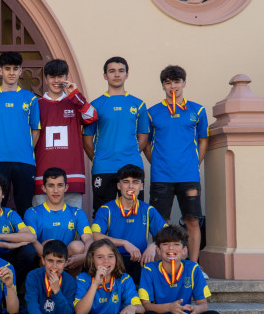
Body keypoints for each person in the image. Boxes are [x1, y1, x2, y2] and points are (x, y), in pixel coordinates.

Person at [145, 65, 209, 264]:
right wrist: (155, 161)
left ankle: (194, 265)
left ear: (184, 83)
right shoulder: (152, 112)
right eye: (168, 82)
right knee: (160, 222)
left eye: (176, 82)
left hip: (189, 175)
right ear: (163, 85)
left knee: (192, 220)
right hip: (161, 176)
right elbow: (146, 142)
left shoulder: (197, 110)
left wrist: (194, 163)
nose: (173, 86)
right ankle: (159, 265)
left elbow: (203, 140)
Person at [83, 57, 150, 212]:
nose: (117, 75)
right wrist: (100, 158)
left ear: (127, 74)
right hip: (103, 167)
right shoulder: (95, 105)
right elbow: (87, 139)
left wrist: (129, 154)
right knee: (102, 213)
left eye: (121, 71)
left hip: (132, 167)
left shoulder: (138, 104)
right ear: (105, 75)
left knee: (135, 212)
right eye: (112, 71)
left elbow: (144, 137)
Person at [0, 51, 41, 215]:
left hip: (25, 160)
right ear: (0, 71)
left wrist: (27, 149)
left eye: (15, 68)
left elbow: (36, 130)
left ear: (21, 71)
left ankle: (26, 240)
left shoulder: (30, 99)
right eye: (7, 68)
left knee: (25, 206)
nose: (12, 72)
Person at [34, 59, 98, 208]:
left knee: (73, 223)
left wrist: (75, 94)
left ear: (67, 77)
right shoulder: (36, 104)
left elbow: (92, 117)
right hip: (42, 175)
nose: (56, 81)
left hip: (72, 175)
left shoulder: (74, 102)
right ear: (45, 79)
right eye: (52, 77)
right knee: (40, 224)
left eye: (60, 76)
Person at [91, 164, 166, 284]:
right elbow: (95, 235)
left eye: (135, 182)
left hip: (141, 259)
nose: (130, 186)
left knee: (164, 250)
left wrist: (153, 245)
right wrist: (124, 243)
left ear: (141, 186)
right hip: (114, 261)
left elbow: (168, 234)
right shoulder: (107, 209)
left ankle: (161, 292)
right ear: (118, 186)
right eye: (126, 182)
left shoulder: (148, 210)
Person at [23, 167, 93, 273]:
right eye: (51, 185)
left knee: (78, 246)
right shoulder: (33, 212)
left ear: (66, 187)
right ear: (43, 188)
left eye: (60, 185)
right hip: (46, 260)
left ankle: (72, 286)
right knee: (50, 244)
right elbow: (32, 241)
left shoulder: (77, 212)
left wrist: (84, 255)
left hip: (69, 260)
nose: (56, 190)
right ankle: (47, 286)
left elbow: (88, 239)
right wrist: (55, 261)